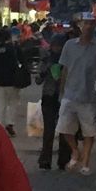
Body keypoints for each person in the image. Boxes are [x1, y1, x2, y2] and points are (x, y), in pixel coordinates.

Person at [56, 17, 96, 176]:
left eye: (91, 23)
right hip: (70, 94)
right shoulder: (69, 45)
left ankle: (85, 162)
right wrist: (61, 91)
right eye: (85, 23)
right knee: (64, 128)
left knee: (89, 131)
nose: (88, 26)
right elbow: (65, 69)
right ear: (80, 26)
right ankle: (75, 151)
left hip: (89, 96)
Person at [0, 27, 31, 137]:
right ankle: (10, 123)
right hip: (13, 81)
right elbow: (24, 62)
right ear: (9, 37)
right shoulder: (15, 48)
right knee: (13, 103)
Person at [36, 29, 67, 171]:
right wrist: (44, 71)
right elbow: (38, 80)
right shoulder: (47, 58)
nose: (56, 48)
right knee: (49, 130)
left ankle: (63, 159)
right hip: (49, 97)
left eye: (59, 46)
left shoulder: (67, 60)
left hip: (64, 97)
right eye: (55, 45)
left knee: (64, 130)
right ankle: (45, 159)